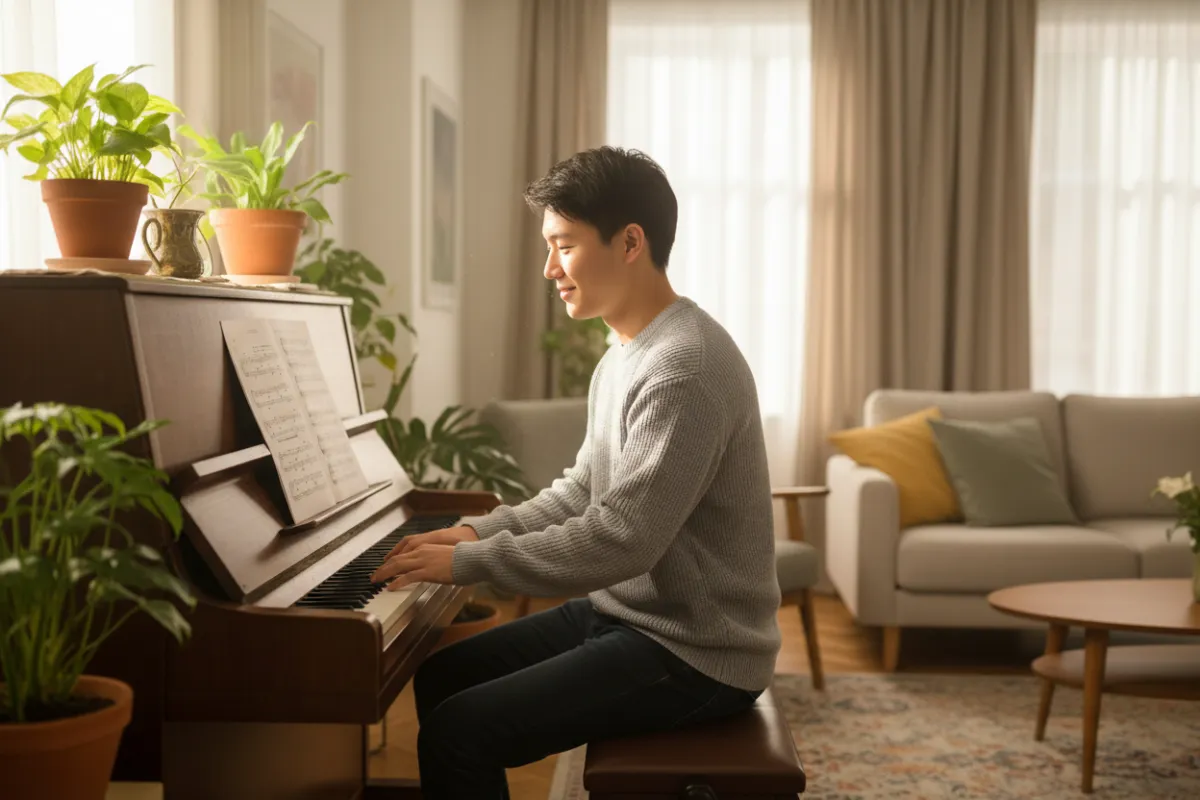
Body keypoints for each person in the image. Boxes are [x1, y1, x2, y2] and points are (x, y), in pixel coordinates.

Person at [370, 146, 782, 800]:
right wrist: (475, 533)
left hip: (697, 653)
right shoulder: (624, 354)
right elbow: (582, 492)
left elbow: (623, 539)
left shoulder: (685, 366)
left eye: (562, 245)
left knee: (459, 731)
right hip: (632, 616)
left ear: (629, 243)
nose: (548, 268)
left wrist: (466, 566)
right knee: (444, 679)